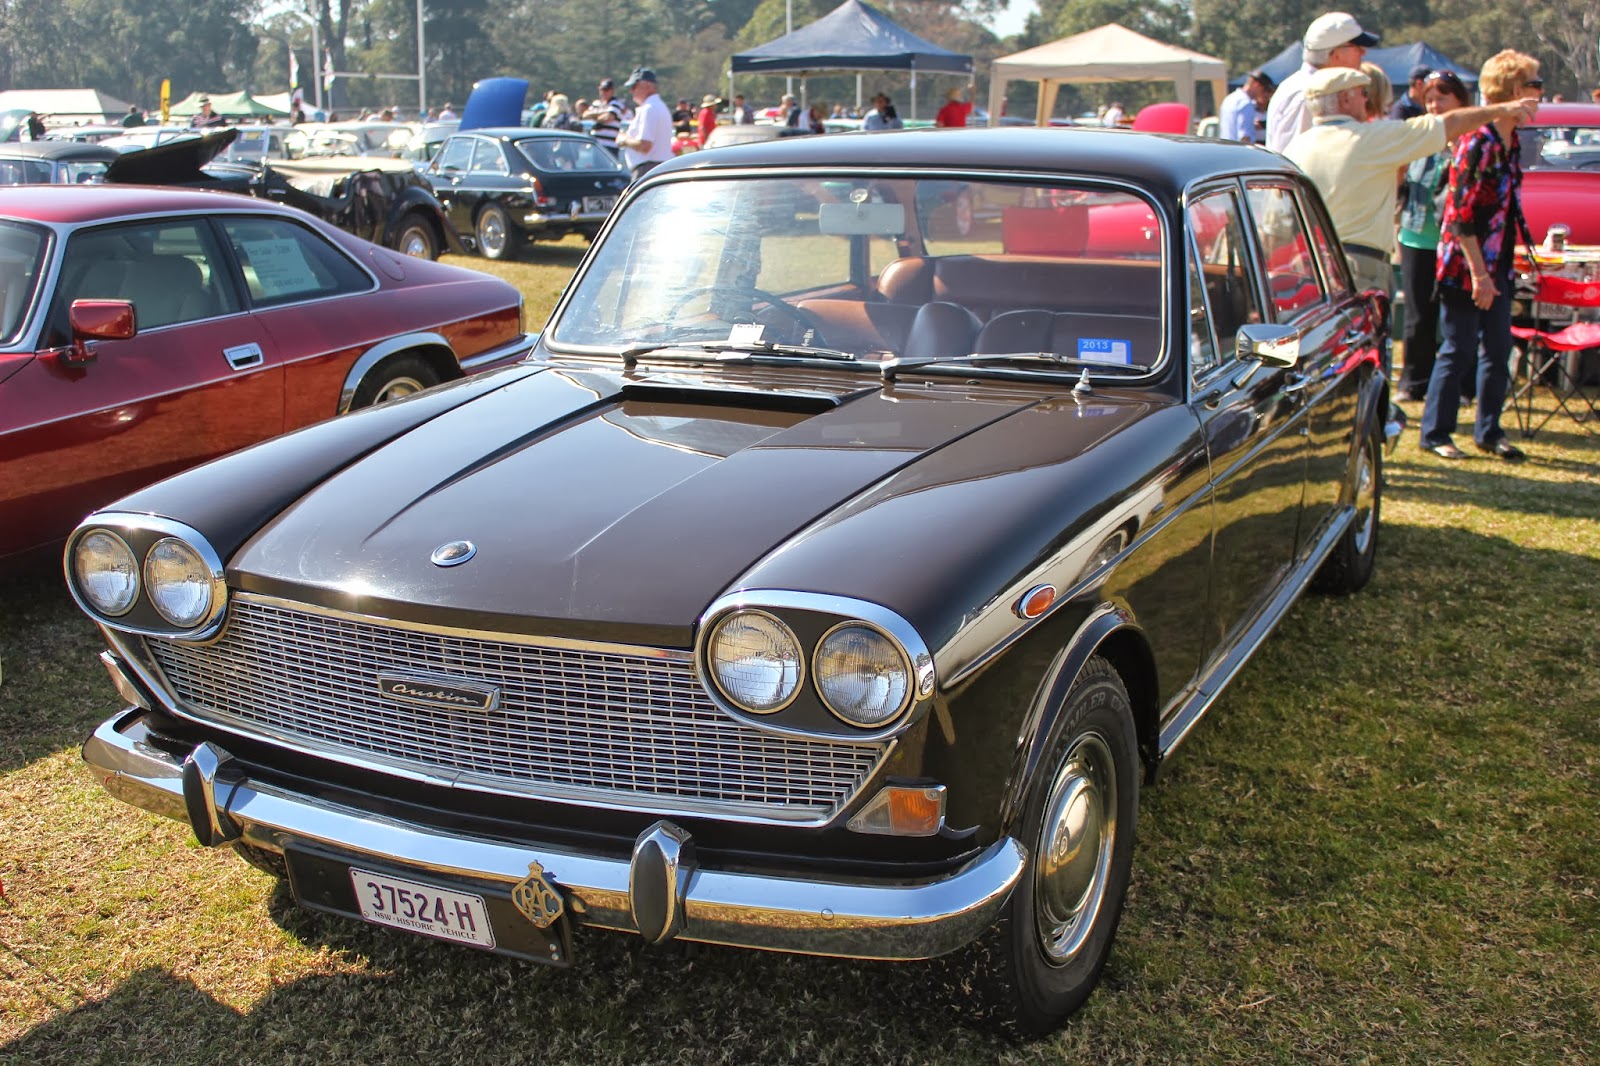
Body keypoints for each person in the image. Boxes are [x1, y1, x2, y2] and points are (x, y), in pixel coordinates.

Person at [1284, 66, 1535, 300]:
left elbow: (1278, 221)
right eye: (1362, 93)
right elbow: (1449, 124)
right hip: (1359, 266)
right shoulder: (1373, 138)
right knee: (1366, 345)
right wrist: (1501, 109)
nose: (1366, 100)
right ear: (1345, 100)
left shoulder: (1294, 149)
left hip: (1306, 265)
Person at [1420, 50, 1543, 462]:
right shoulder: (1479, 142)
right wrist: (1479, 275)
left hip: (1498, 264)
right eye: (1534, 86)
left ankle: (1489, 430)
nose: (1540, 94)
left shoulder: (1509, 141)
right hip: (1465, 265)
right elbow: (1460, 216)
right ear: (1513, 91)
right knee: (1457, 348)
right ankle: (1436, 433)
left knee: (1498, 345)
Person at [1396, 71, 1472, 402]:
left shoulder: (1470, 140)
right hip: (1416, 237)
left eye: (1442, 98)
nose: (1434, 105)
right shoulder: (1416, 135)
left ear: (1460, 102)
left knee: (1458, 319)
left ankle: (1463, 387)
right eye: (1429, 99)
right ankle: (1414, 384)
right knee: (1417, 316)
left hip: (1455, 242)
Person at [1266, 11, 1379, 152]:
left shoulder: (1307, 87)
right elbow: (1292, 161)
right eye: (1357, 46)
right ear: (1336, 53)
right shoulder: (1307, 94)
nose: (1363, 53)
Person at [615, 67, 674, 180]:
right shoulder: (659, 106)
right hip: (656, 167)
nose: (631, 91)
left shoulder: (649, 109)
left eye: (634, 86)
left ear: (647, 85)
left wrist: (624, 140)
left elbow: (645, 145)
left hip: (647, 169)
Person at [1219, 70, 1274, 143]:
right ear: (1256, 85)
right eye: (1264, 89)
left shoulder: (1229, 99)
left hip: (1225, 147)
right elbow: (1245, 137)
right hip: (1238, 151)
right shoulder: (1246, 103)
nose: (1263, 93)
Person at [584, 78, 629, 156]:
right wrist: (602, 112)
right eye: (601, 90)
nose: (603, 92)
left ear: (612, 91)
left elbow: (608, 118)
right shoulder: (596, 103)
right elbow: (585, 115)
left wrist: (594, 116)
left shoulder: (616, 103)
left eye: (606, 90)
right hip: (596, 144)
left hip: (609, 146)